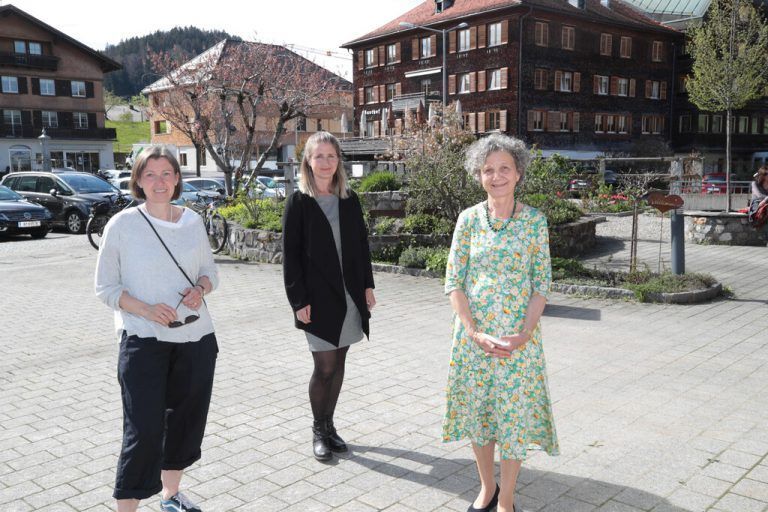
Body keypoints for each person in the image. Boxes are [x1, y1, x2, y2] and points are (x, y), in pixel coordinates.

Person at [95, 146, 219, 512]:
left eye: (166, 173)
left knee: (185, 423)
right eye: (150, 174)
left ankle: (171, 496)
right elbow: (105, 288)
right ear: (138, 180)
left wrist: (200, 289)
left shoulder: (192, 222)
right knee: (143, 431)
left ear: (177, 178)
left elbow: (210, 273)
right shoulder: (122, 226)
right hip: (143, 340)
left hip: (196, 338)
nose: (159, 181)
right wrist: (147, 310)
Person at [442, 134, 558, 512]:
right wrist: (473, 331)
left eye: (504, 168)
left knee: (512, 419)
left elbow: (541, 285)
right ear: (479, 176)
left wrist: (523, 334)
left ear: (518, 172)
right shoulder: (468, 220)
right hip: (474, 339)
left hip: (516, 344)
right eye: (488, 170)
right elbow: (454, 282)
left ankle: (506, 499)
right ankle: (486, 487)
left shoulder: (534, 222)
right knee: (480, 415)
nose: (496, 176)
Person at [282, 131, 376, 461]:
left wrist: (367, 285)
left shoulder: (349, 199)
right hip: (317, 298)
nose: (325, 162)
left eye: (331, 156)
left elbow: (361, 245)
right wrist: (298, 302)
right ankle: (318, 430)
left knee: (339, 364)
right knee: (324, 366)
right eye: (318, 156)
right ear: (308, 161)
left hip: (349, 295)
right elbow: (290, 256)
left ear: (338, 161)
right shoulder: (299, 202)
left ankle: (330, 425)